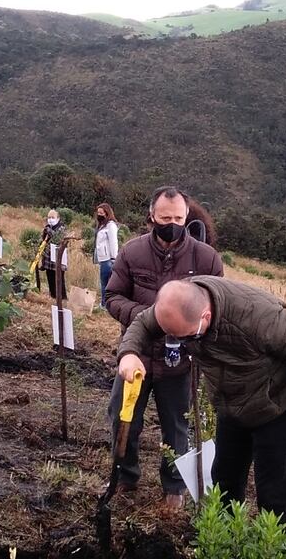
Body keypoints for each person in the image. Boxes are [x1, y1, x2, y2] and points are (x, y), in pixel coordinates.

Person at [116, 278, 286, 535]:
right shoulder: (177, 303)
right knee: (224, 484)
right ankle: (224, 543)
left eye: (186, 337)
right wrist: (129, 353)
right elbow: (143, 323)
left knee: (274, 495)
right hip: (230, 405)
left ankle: (280, 548)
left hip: (276, 406)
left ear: (205, 317)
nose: (180, 342)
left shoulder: (261, 317)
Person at [104, 186, 223, 509]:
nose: (172, 224)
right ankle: (124, 476)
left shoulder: (206, 258)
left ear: (187, 217)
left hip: (181, 359)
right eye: (165, 218)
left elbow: (216, 306)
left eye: (178, 219)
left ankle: (174, 486)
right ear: (152, 217)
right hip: (137, 354)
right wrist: (147, 317)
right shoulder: (132, 252)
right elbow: (112, 296)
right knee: (122, 417)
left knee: (177, 426)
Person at [93, 203, 120, 307]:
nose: (99, 215)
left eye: (101, 213)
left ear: (107, 213)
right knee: (103, 282)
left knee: (105, 283)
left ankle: (105, 304)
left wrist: (114, 258)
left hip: (108, 259)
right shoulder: (102, 225)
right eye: (98, 212)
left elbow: (113, 242)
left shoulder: (111, 225)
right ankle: (105, 303)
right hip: (102, 258)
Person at [39, 209, 67, 300]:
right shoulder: (47, 227)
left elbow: (57, 239)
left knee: (59, 279)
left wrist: (49, 231)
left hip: (58, 258)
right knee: (50, 277)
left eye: (52, 217)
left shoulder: (62, 228)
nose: (50, 219)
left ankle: (62, 298)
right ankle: (53, 296)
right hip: (48, 259)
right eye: (49, 217)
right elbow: (43, 240)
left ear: (58, 218)